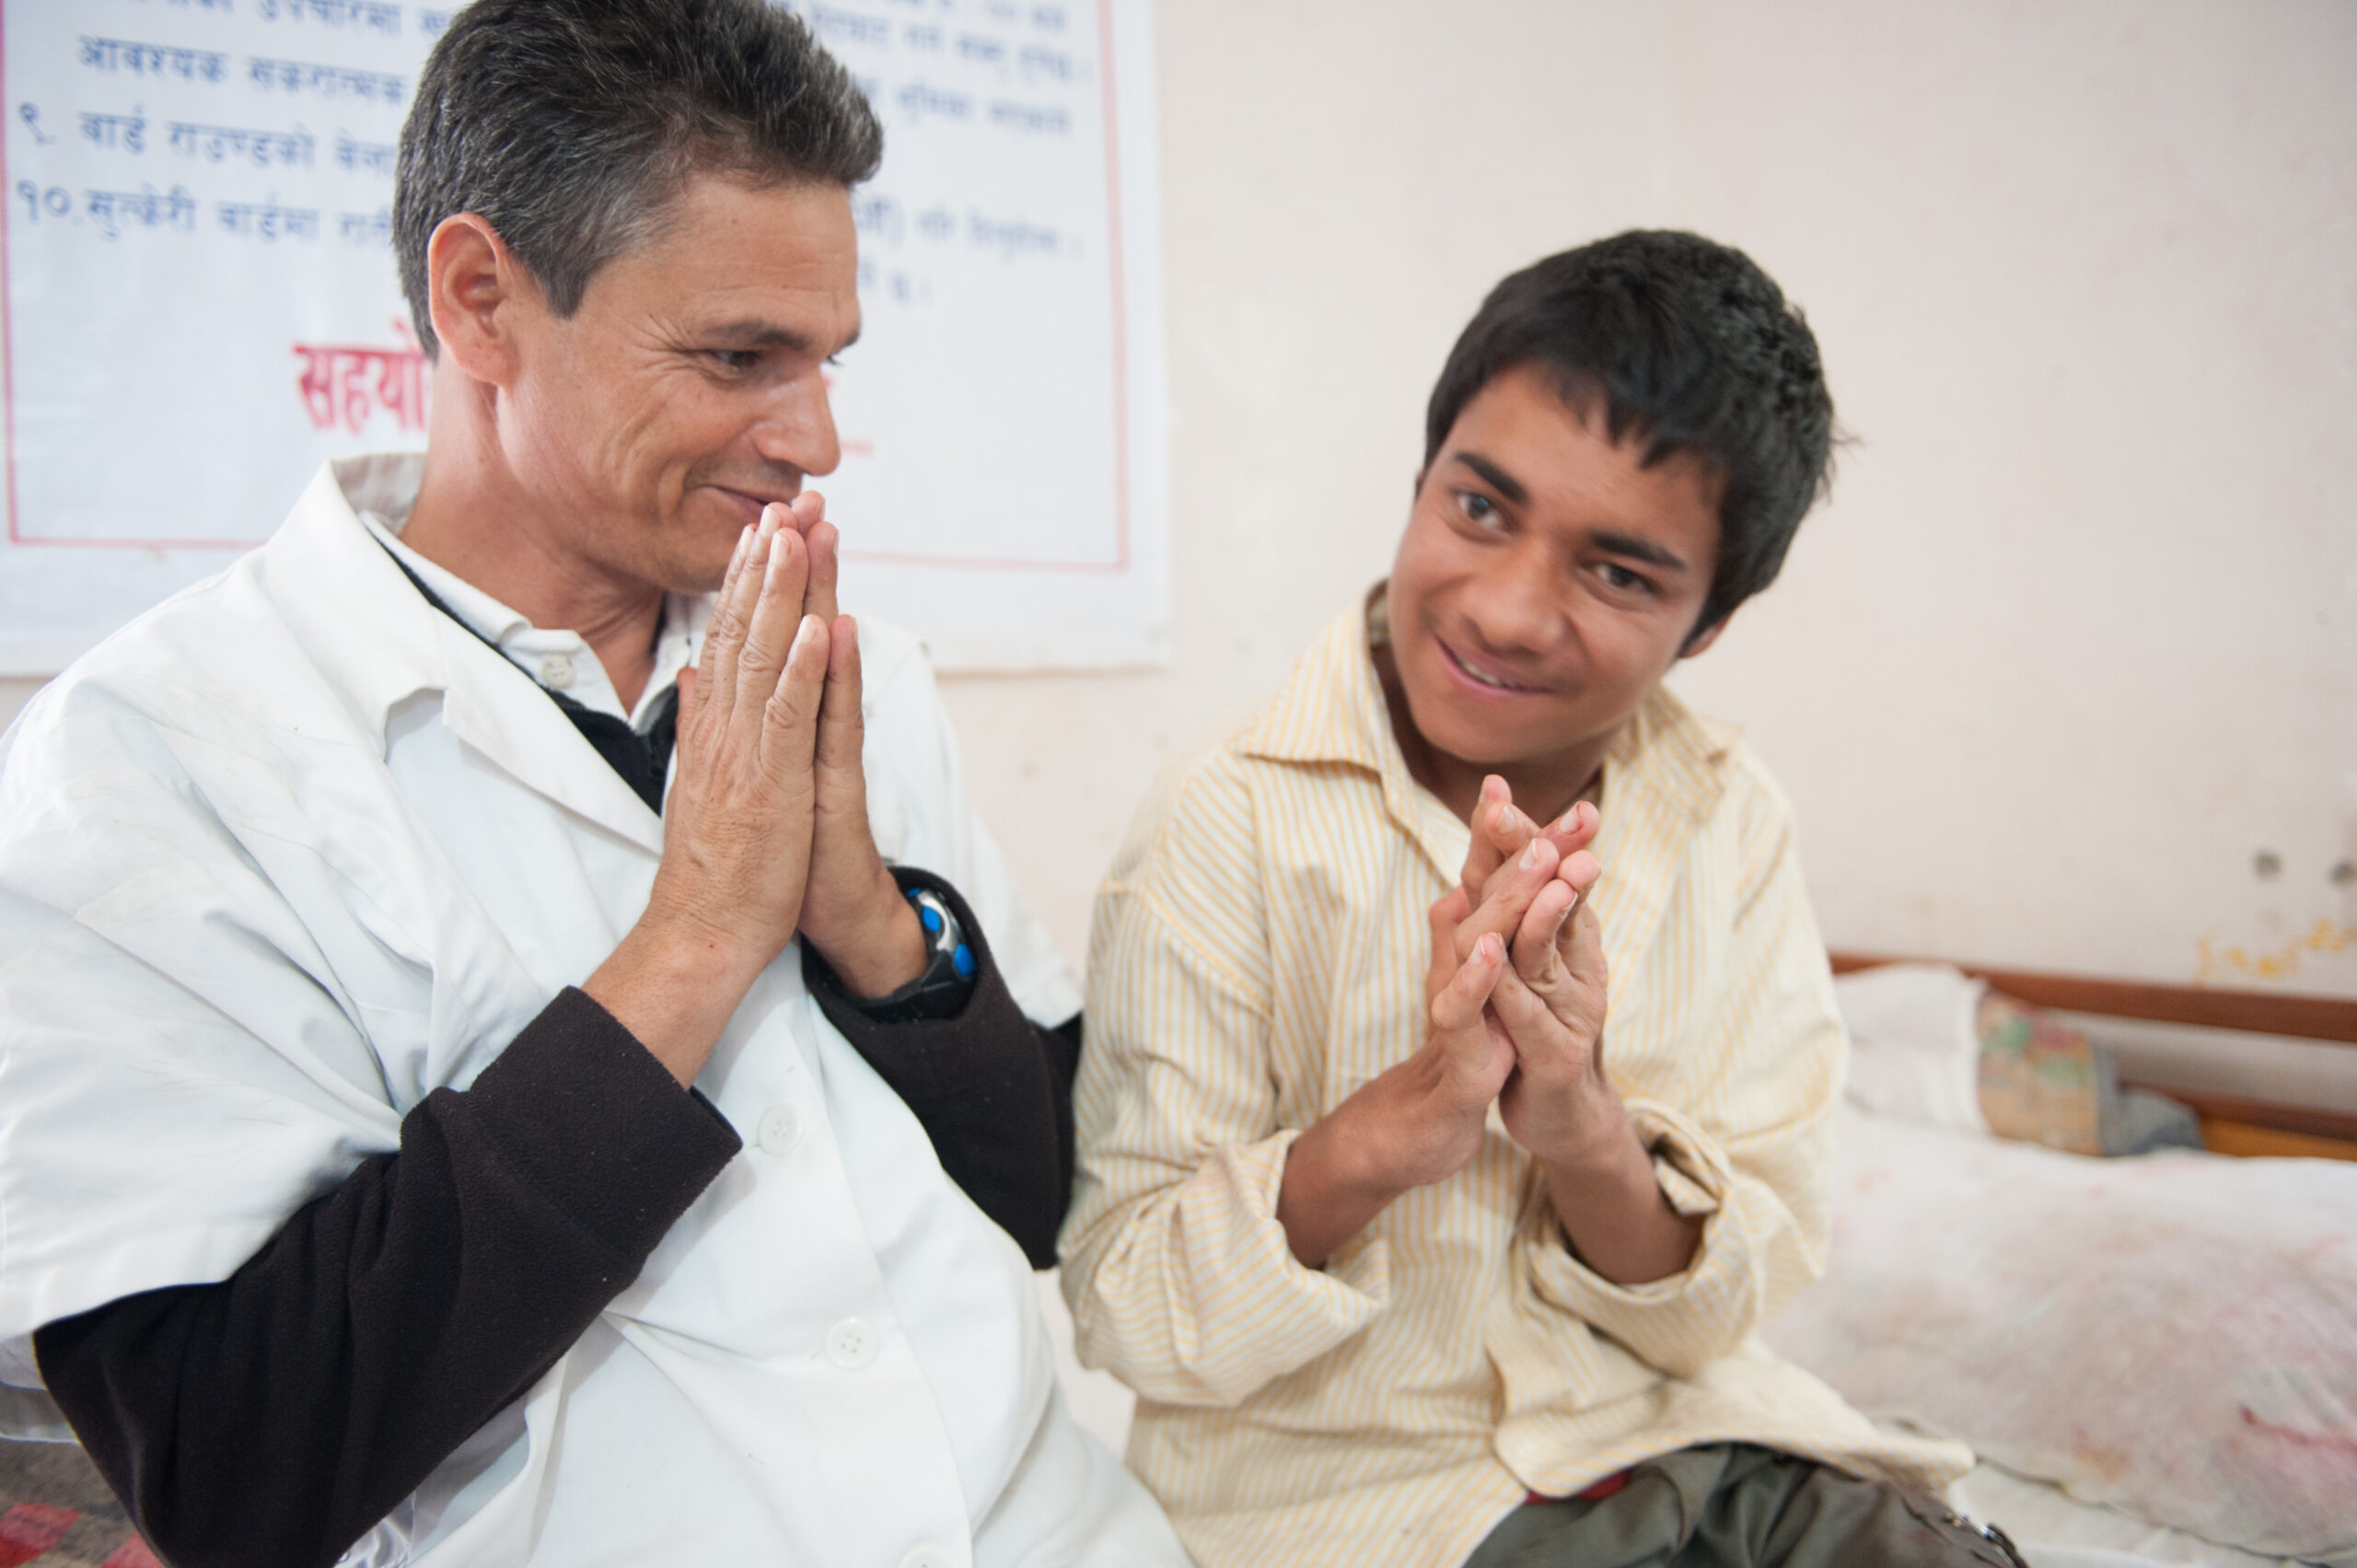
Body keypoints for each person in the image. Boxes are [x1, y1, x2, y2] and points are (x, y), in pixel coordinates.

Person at [0, 4, 1188, 1566]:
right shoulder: (156, 763)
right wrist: (692, 942)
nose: (816, 435)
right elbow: (236, 1469)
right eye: (738, 358)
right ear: (483, 301)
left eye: (825, 359)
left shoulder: (849, 667)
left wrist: (875, 932)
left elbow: (1033, 1203)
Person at [1059, 232, 2021, 1567]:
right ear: (1421, 476)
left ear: (1709, 624)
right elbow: (1127, 1309)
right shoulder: (1230, 814)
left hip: (1691, 1441)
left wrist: (1579, 1124)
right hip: (1357, 1507)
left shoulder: (1729, 825)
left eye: (1619, 573)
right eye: (1480, 509)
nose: (1509, 611)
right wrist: (1403, 1124)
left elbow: (1718, 1315)